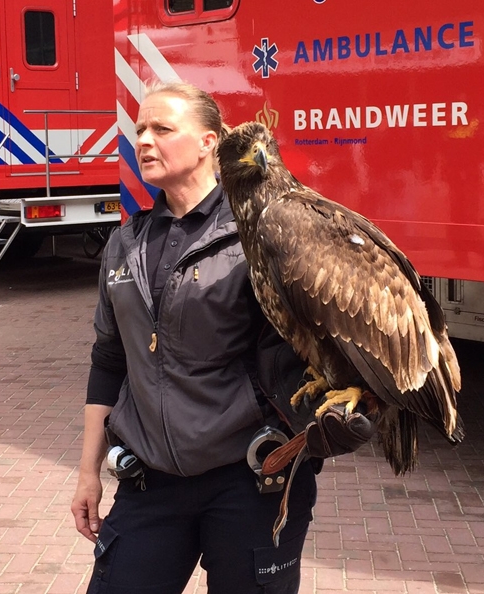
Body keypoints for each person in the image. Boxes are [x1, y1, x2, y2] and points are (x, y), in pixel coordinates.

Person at [70, 82, 375, 594]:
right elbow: (109, 361)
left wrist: (349, 402)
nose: (144, 140)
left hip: (251, 479)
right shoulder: (125, 243)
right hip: (151, 481)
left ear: (209, 142)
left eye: (163, 129)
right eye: (140, 129)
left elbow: (325, 346)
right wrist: (87, 472)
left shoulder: (261, 235)